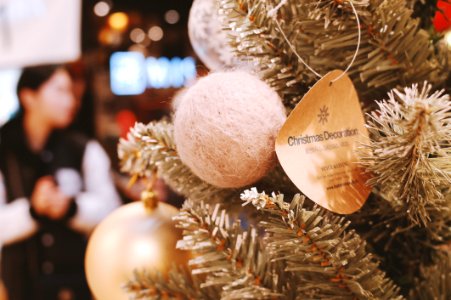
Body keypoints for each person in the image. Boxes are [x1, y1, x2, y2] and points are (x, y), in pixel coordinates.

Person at [0, 65, 121, 299]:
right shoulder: (4, 149)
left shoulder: (83, 148)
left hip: (77, 283)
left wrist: (71, 207)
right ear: (29, 97)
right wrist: (33, 211)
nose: (71, 101)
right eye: (60, 91)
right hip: (21, 286)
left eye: (71, 92)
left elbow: (111, 212)